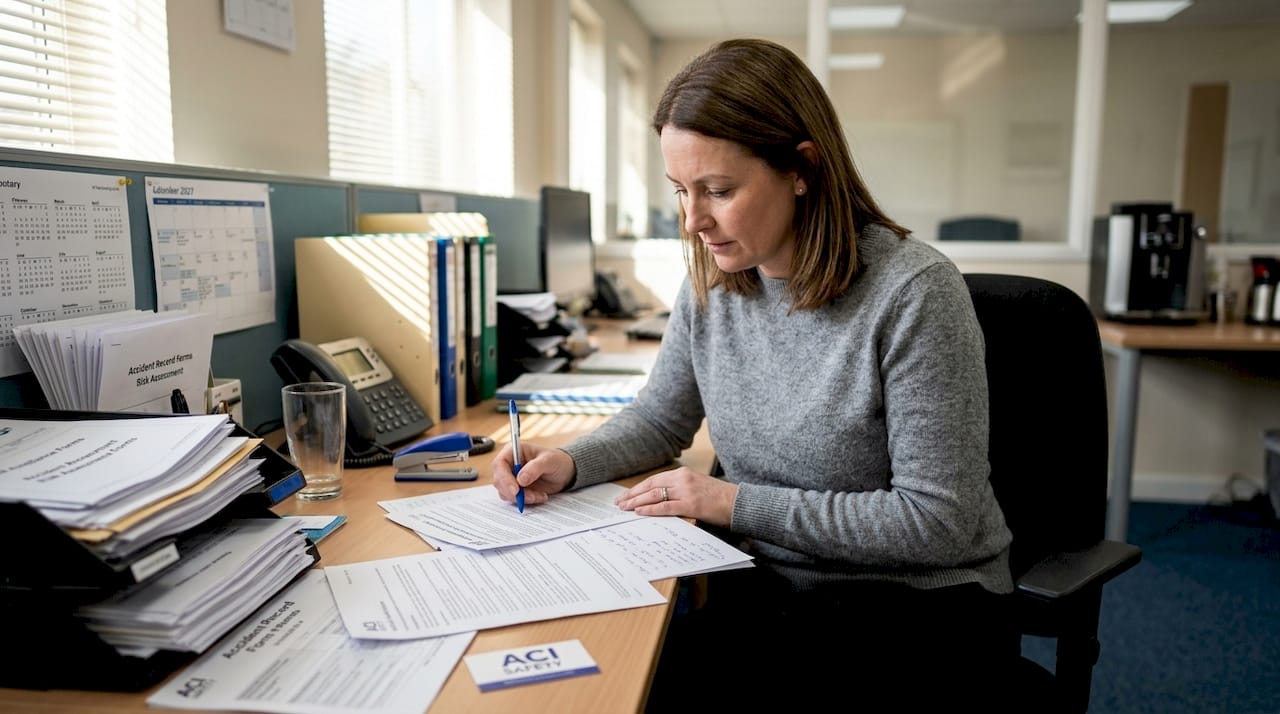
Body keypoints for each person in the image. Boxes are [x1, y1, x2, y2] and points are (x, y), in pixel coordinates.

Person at [492, 38, 1019, 709]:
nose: (693, 221)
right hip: (771, 585)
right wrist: (568, 461)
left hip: (918, 605)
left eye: (718, 190)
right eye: (681, 191)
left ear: (801, 168)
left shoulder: (915, 294)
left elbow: (935, 521)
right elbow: (660, 419)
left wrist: (729, 502)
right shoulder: (714, 278)